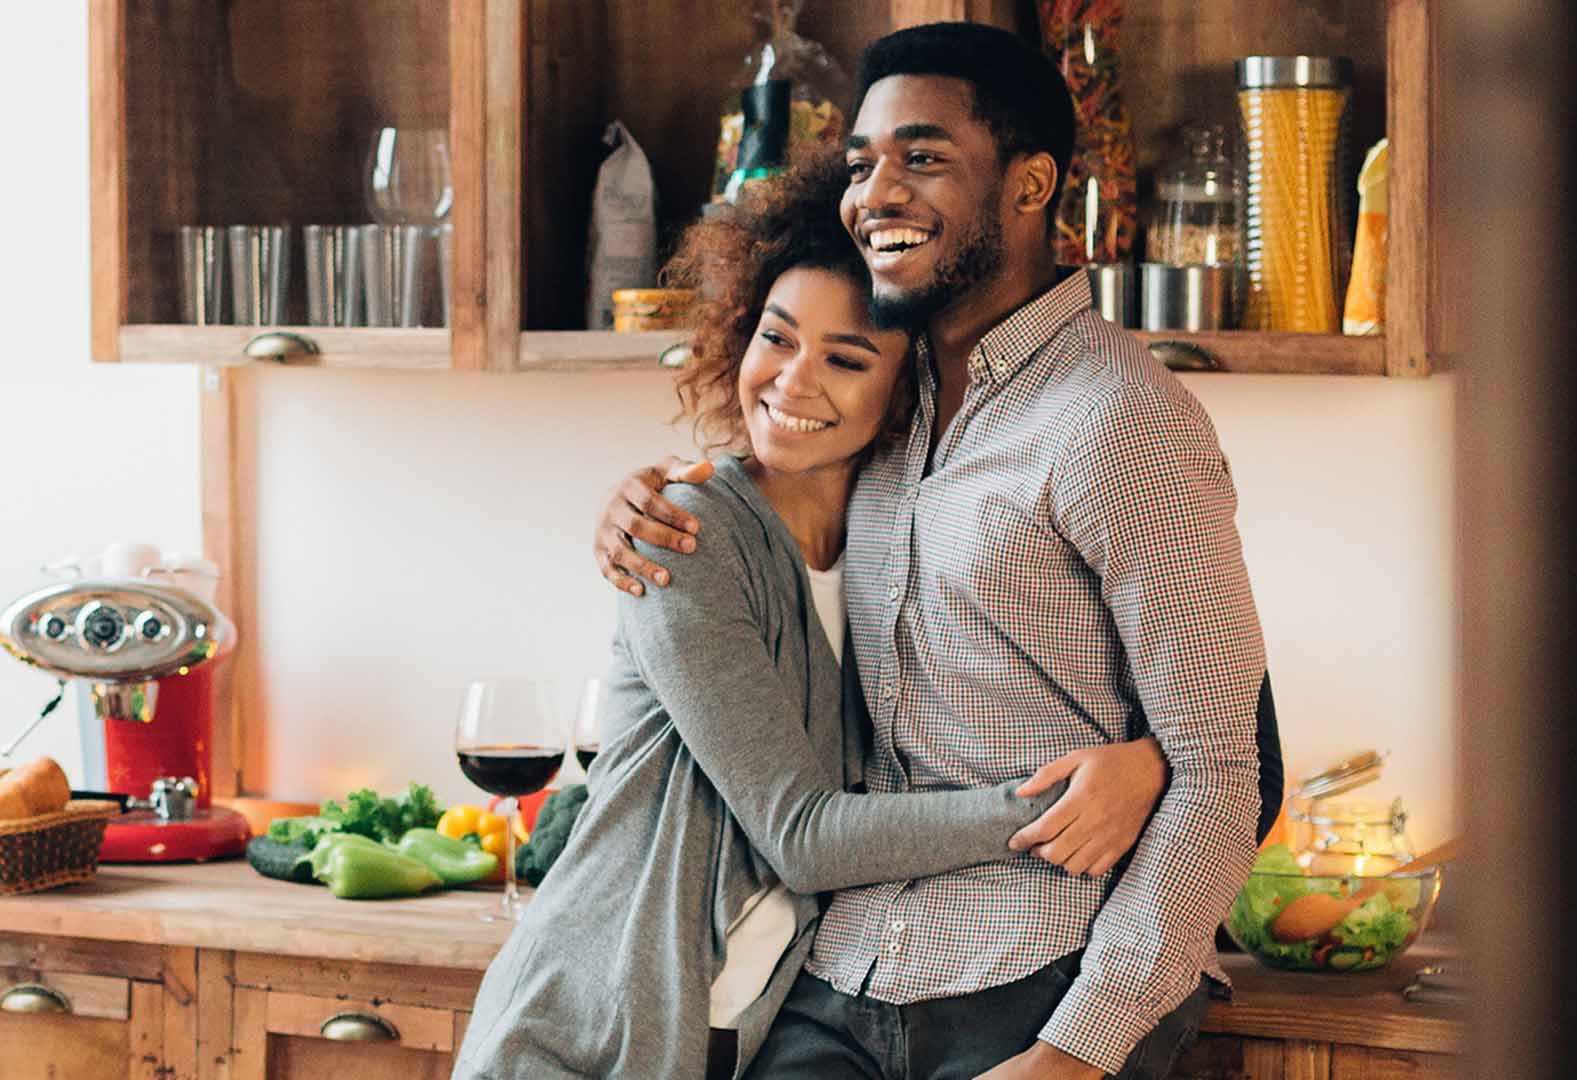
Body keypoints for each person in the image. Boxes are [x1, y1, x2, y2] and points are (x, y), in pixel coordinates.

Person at [593, 22, 1274, 1080]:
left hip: (1038, 979)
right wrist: (644, 499)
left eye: (922, 157)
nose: (876, 194)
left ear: (1030, 183)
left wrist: (1077, 1051)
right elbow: (766, 475)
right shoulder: (882, 401)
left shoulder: (1120, 421)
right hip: (840, 976)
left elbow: (1225, 769)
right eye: (861, 164)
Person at [453, 151, 1170, 1080]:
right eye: (777, 338)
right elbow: (801, 836)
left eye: (846, 358)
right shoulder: (686, 532)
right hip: (586, 1033)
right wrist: (1066, 806)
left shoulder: (900, 536)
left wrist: (1152, 762)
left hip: (736, 1036)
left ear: (906, 387)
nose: (793, 382)